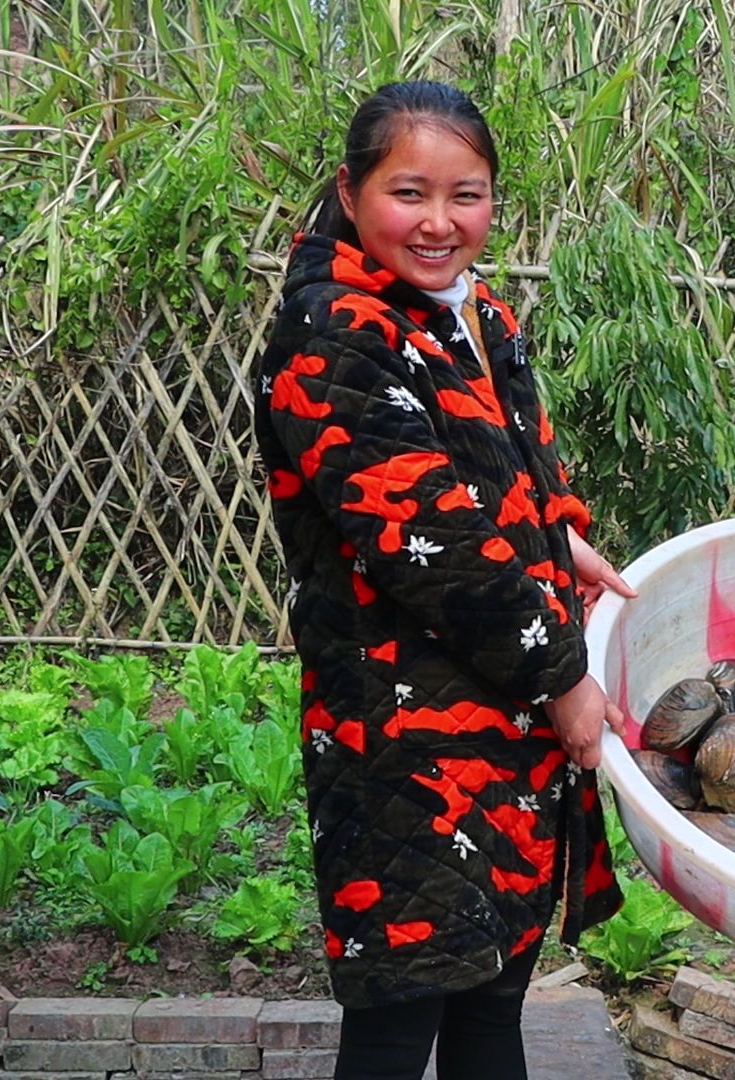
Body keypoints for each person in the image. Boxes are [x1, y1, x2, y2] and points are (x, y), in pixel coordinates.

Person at [252, 81, 632, 1080]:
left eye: (465, 195)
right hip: (404, 727)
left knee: (495, 987)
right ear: (351, 188)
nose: (437, 222)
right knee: (402, 1009)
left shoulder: (477, 312)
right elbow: (439, 544)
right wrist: (565, 676)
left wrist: (563, 543)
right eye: (408, 191)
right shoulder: (332, 336)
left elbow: (512, 469)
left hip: (502, 721)